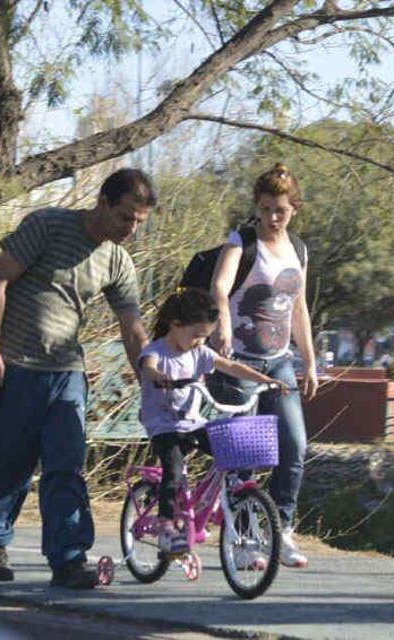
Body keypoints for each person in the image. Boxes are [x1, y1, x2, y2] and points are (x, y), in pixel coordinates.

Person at [0, 169, 155, 589]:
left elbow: (132, 327)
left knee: (65, 468)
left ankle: (69, 559)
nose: (131, 229)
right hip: (15, 367)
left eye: (140, 222)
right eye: (126, 217)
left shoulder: (117, 260)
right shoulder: (47, 226)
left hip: (67, 372)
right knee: (6, 468)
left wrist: (151, 380)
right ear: (104, 203)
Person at [209, 162, 318, 569]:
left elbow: (300, 308)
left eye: (281, 210)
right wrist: (222, 323)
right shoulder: (242, 241)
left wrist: (309, 362)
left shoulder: (299, 250)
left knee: (295, 446)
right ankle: (244, 540)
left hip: (280, 363)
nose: (273, 217)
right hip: (238, 362)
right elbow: (220, 289)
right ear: (256, 205)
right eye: (267, 208)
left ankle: (282, 530)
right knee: (246, 457)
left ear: (295, 210)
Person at [138, 289, 284, 554]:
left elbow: (230, 366)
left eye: (204, 336)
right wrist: (159, 377)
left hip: (193, 422)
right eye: (196, 335)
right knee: (172, 468)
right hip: (164, 426)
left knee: (229, 449)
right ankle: (167, 526)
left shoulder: (199, 352)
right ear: (175, 325)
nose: (200, 341)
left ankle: (226, 496)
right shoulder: (156, 351)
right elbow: (148, 366)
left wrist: (266, 380)